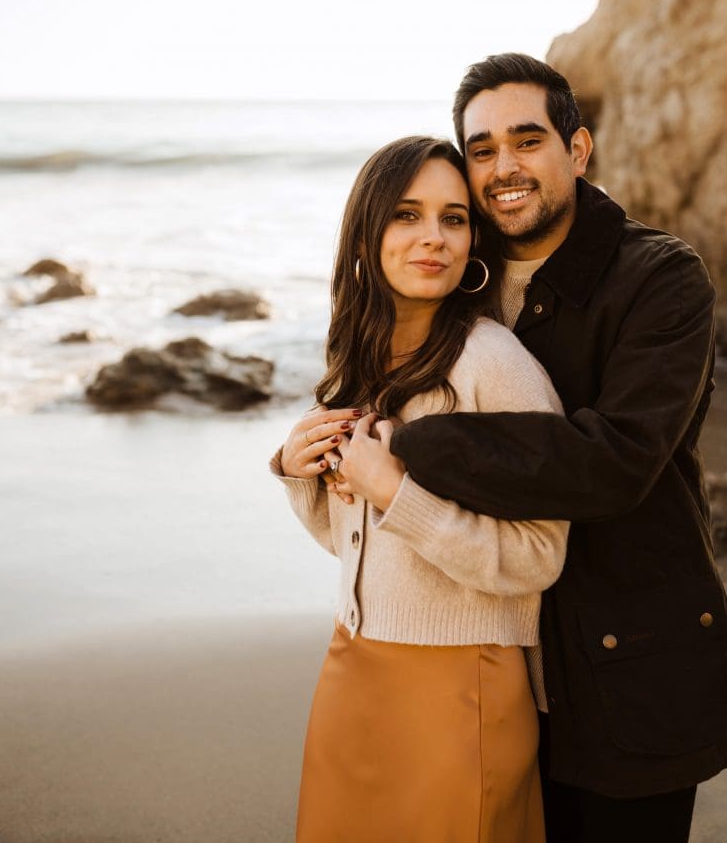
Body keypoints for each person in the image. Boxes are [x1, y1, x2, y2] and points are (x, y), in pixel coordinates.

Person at [334, 54, 727, 843]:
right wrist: (317, 451)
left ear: (576, 150)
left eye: (526, 140)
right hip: (493, 673)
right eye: (481, 150)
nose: (503, 167)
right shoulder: (455, 284)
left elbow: (614, 461)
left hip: (628, 664)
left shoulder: (659, 279)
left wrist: (411, 446)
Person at [271, 134, 571, 842]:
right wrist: (296, 470)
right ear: (366, 231)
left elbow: (537, 558)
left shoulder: (495, 365)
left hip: (460, 686)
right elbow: (363, 549)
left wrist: (395, 492)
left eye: (454, 218)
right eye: (406, 215)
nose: (431, 238)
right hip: (352, 663)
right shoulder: (358, 361)